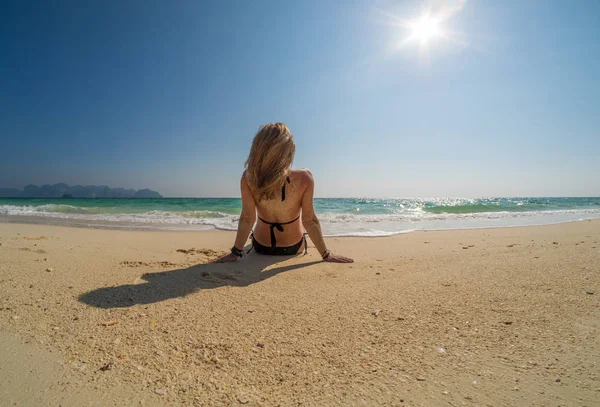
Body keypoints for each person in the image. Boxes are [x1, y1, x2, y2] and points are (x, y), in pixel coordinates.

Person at [214, 123, 354, 263]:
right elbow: (309, 220)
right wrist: (326, 254)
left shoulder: (249, 177)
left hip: (261, 246)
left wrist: (235, 252)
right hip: (292, 247)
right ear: (288, 149)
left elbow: (247, 218)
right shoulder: (305, 177)